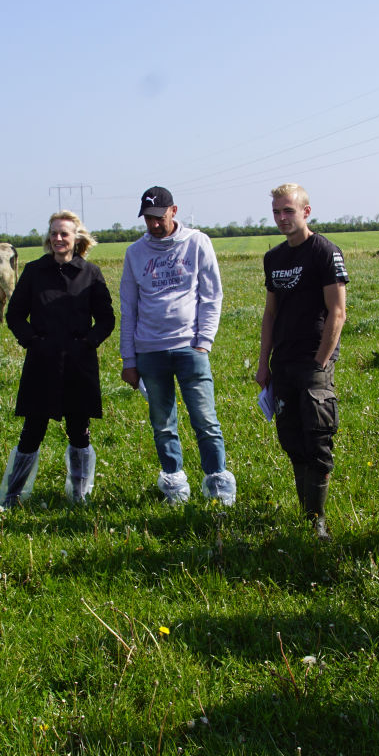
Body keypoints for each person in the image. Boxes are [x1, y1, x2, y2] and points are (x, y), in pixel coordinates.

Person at [119, 186, 235, 505]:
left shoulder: (197, 243)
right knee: (162, 424)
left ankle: (218, 483)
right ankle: (174, 484)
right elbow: (128, 308)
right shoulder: (135, 253)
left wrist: (204, 342)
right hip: (149, 351)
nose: (154, 224)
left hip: (190, 349)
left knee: (205, 421)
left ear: (174, 211)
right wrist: (129, 360)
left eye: (160, 217)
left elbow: (211, 296)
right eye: (148, 218)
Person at [0, 210, 115, 507]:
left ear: (76, 238)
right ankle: (12, 496)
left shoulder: (91, 273)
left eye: (64, 233)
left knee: (79, 432)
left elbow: (106, 319)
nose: (58, 238)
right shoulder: (34, 271)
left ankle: (79, 495)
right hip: (42, 363)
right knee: (31, 432)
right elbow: (14, 315)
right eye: (54, 233)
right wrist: (32, 341)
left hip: (78, 365)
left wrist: (87, 343)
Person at [254, 184, 348, 538]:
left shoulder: (324, 251)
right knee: (292, 438)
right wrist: (264, 363)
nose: (282, 218)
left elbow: (337, 312)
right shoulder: (273, 258)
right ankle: (307, 515)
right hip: (284, 362)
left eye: (288, 211)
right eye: (277, 212)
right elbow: (270, 313)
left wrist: (321, 362)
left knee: (318, 437)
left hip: (314, 361)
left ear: (306, 212)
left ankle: (318, 519)